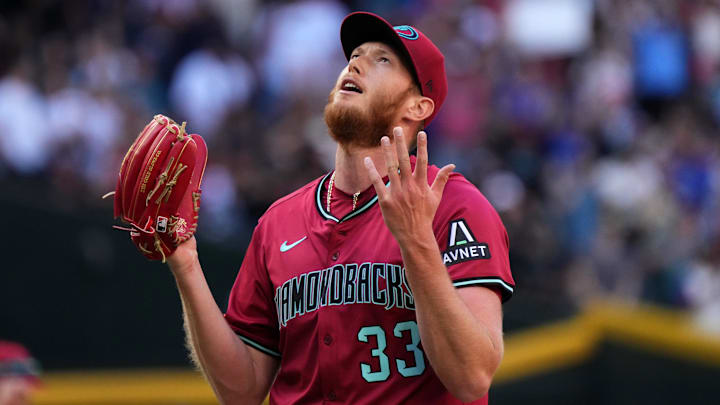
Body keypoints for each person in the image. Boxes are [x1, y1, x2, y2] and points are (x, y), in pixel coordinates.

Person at [167, 12, 514, 404]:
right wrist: (186, 264)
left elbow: (472, 377)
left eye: (382, 60)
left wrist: (416, 240)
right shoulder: (278, 222)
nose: (357, 62)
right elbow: (243, 390)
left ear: (418, 107)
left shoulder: (455, 205)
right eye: (355, 55)